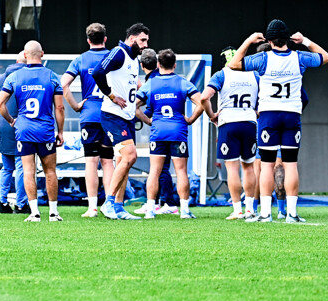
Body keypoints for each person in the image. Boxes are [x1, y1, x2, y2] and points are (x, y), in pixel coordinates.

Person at [231, 20, 328, 223]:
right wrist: (305, 41)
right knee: (291, 164)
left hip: (268, 115)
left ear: (268, 39)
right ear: (288, 39)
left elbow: (233, 63)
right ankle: (291, 214)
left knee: (266, 165)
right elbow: (326, 57)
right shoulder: (299, 57)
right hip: (292, 114)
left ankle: (266, 213)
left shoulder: (262, 58)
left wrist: (249, 40)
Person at [0, 41, 65, 223]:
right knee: (50, 171)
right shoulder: (52, 76)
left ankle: (34, 213)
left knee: (28, 171)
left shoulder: (14, 77)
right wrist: (61, 132)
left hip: (24, 130)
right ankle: (53, 212)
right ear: (42, 53)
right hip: (45, 130)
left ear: (25, 56)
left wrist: (11, 120)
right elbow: (59, 107)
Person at [91, 22, 151, 220]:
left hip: (126, 117)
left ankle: (118, 206)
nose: (145, 45)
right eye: (142, 40)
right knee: (130, 156)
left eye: (147, 41)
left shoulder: (133, 59)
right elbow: (97, 72)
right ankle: (108, 202)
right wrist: (111, 95)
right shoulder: (118, 53)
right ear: (132, 38)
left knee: (123, 160)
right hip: (112, 115)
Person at [136, 49, 202, 219]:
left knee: (154, 171)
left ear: (158, 64)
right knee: (181, 171)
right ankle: (185, 210)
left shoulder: (151, 83)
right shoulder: (183, 83)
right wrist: (191, 119)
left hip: (158, 132)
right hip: (178, 131)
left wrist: (148, 120)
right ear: (175, 65)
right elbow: (202, 101)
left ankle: (150, 210)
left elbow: (133, 106)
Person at [61, 23, 114, 218]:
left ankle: (92, 207)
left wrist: (75, 105)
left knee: (91, 161)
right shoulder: (114, 57)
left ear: (88, 40)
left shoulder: (81, 59)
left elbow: (63, 84)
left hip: (89, 114)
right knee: (108, 161)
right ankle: (110, 205)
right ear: (105, 39)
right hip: (110, 114)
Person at [201, 46, 260, 220]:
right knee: (248, 167)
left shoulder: (221, 74)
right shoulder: (255, 74)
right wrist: (255, 111)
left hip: (228, 123)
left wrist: (212, 115)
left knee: (232, 167)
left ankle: (237, 209)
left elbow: (204, 97)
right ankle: (250, 208)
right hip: (249, 123)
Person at [0, 51, 29, 214]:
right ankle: (20, 203)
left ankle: (2, 202)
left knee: (6, 167)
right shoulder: (26, 78)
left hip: (4, 126)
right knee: (21, 166)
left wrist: (3, 116)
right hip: (22, 125)